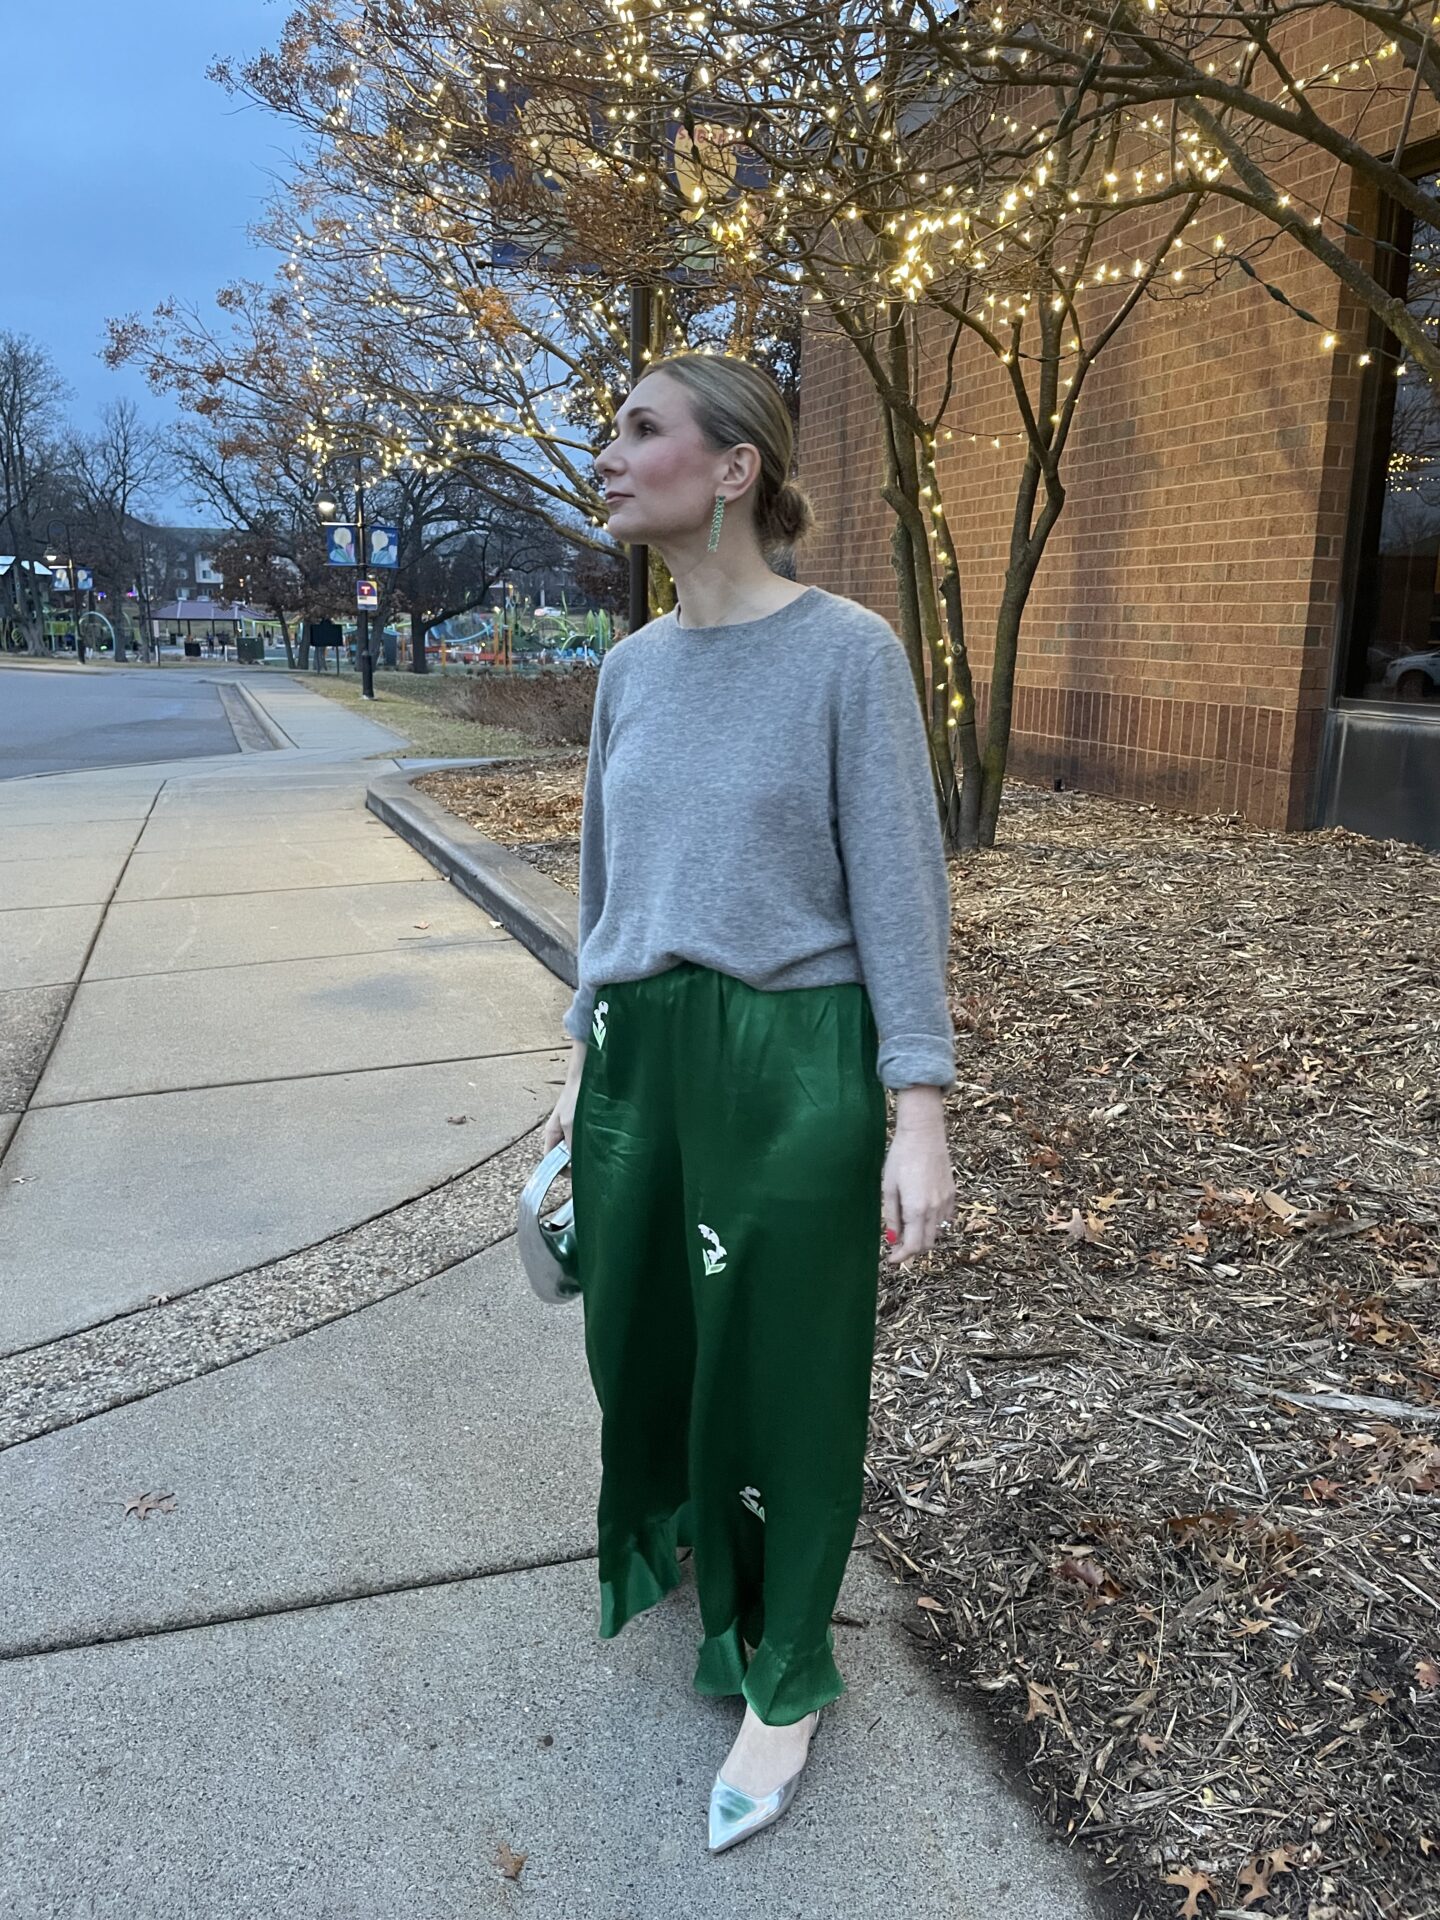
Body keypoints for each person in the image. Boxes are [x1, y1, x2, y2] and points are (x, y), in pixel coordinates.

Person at [541, 353, 958, 1854]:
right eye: (613, 426)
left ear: (732, 471)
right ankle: (704, 1561)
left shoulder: (848, 655)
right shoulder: (629, 670)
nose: (608, 451)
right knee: (640, 1339)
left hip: (793, 1061)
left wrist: (920, 1107)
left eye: (639, 427)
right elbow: (602, 891)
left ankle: (785, 1673)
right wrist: (578, 1063)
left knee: (786, 1376)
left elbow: (901, 892)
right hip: (642, 1057)